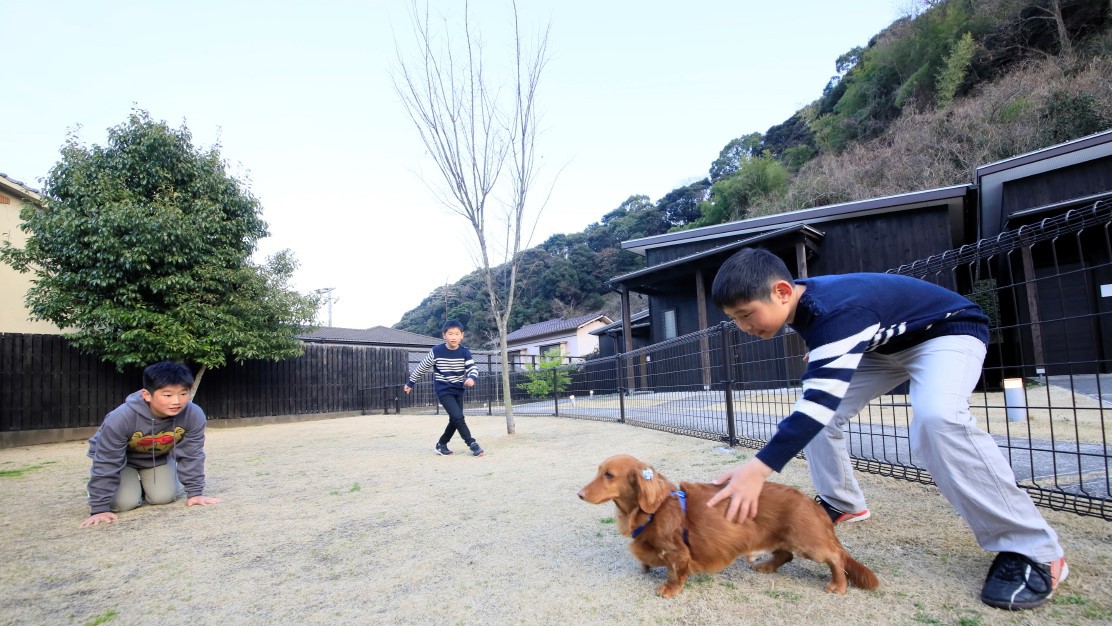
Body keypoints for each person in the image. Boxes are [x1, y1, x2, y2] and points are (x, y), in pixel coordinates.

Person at [704, 247, 1066, 610]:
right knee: (821, 416)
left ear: (782, 291)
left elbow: (819, 393)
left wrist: (758, 469)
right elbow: (844, 339)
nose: (743, 327)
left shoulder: (835, 312)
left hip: (946, 331)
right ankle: (841, 502)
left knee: (938, 419)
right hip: (884, 348)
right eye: (734, 318)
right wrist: (833, 350)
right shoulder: (812, 307)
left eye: (746, 314)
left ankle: (1033, 548)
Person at [80, 361, 221, 527]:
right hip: (122, 461)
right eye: (167, 395)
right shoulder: (121, 417)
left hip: (157, 457)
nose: (177, 401)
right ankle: (114, 489)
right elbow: (107, 460)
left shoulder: (193, 414)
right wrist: (99, 507)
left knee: (164, 498)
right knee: (125, 504)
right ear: (147, 395)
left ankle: (143, 485)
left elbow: (192, 454)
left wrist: (195, 493)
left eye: (183, 394)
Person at [403, 319, 485, 457]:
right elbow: (422, 367)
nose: (453, 337)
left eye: (457, 334)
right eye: (450, 334)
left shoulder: (465, 352)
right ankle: (472, 444)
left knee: (455, 419)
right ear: (444, 335)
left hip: (458, 389)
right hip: (444, 390)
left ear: (462, 335)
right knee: (458, 417)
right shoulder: (436, 351)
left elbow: (473, 368)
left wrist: (472, 377)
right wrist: (410, 383)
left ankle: (441, 444)